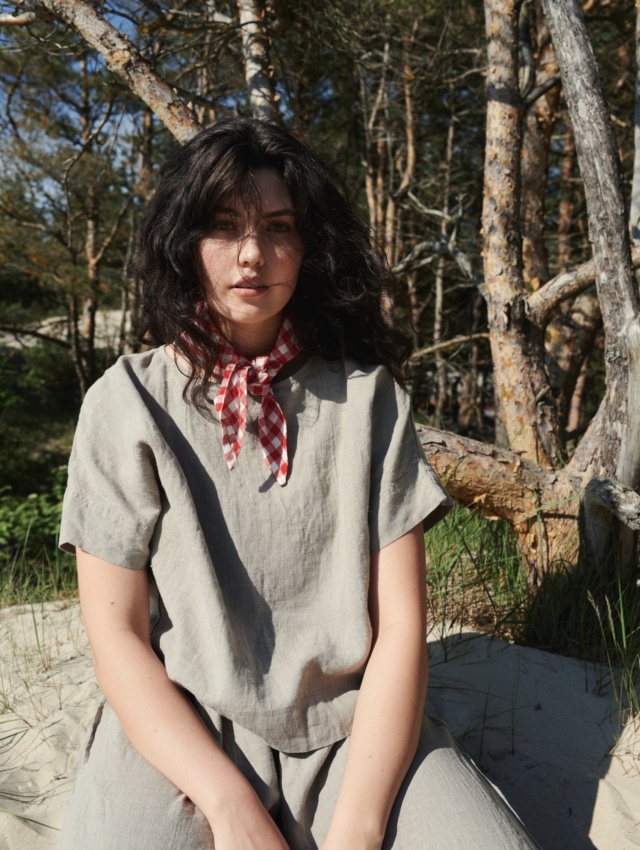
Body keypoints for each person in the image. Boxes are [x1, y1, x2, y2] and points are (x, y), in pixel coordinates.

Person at [57, 117, 539, 850]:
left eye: (278, 226)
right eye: (223, 225)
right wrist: (229, 804)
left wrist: (361, 823)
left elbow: (403, 628)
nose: (252, 254)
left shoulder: (370, 400)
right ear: (184, 241)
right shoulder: (125, 403)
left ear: (310, 246)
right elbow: (116, 638)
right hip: (184, 725)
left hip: (354, 722)